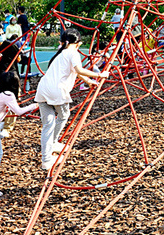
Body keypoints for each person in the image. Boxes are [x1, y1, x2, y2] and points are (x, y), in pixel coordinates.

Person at [33, 29, 109, 171]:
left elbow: (75, 72)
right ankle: (53, 143)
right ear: (79, 43)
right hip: (56, 91)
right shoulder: (73, 53)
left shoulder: (62, 53)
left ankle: (46, 159)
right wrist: (99, 75)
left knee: (48, 125)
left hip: (43, 90)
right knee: (63, 115)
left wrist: (88, 81)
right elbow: (79, 70)